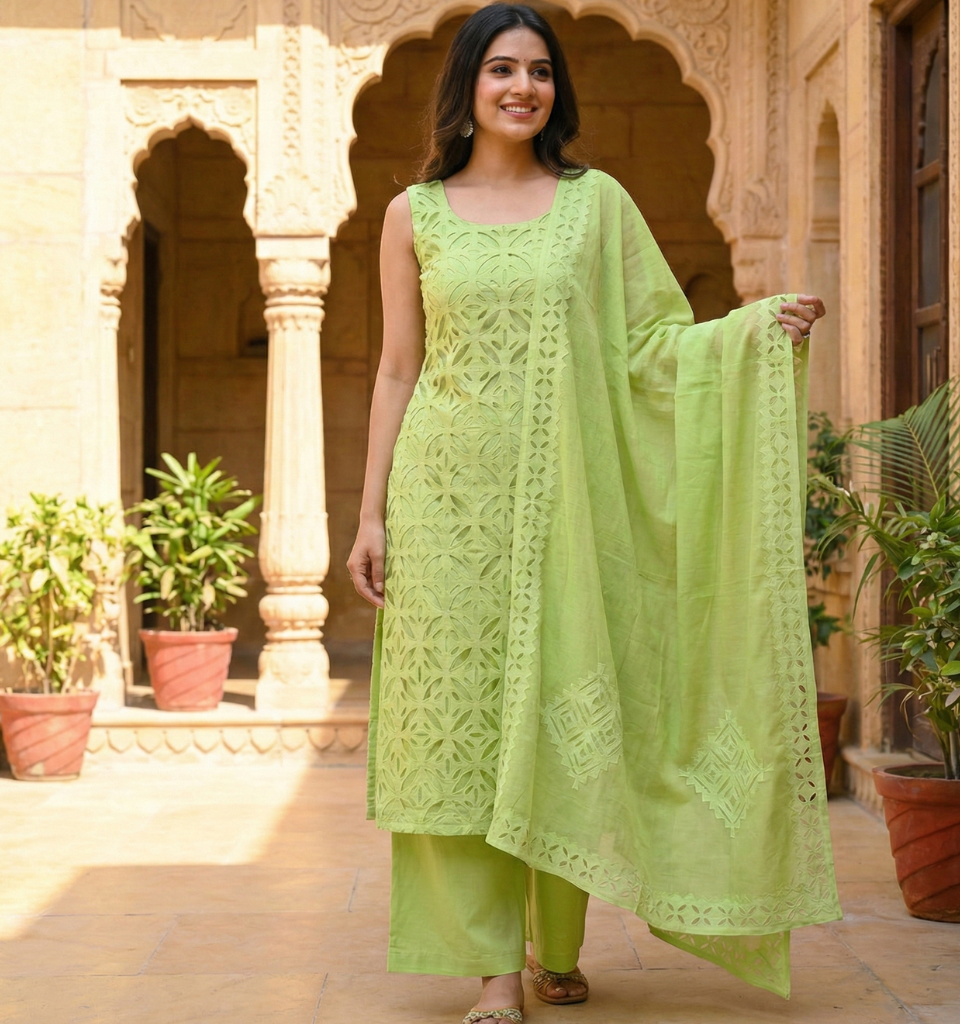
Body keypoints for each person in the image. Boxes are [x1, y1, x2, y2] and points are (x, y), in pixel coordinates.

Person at [347, 5, 841, 1022]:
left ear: (554, 91)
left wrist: (748, 332)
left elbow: (652, 343)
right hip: (446, 504)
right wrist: (369, 517)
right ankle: (492, 972)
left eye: (537, 71)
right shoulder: (415, 213)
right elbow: (398, 368)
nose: (521, 87)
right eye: (500, 70)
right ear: (467, 88)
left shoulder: (596, 205)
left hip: (568, 507)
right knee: (462, 732)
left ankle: (554, 944)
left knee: (558, 706)